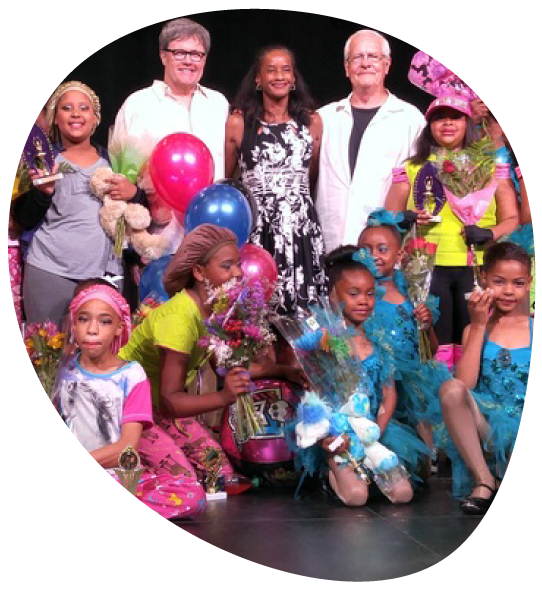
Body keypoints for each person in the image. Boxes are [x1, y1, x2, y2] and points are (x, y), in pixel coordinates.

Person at [118, 224, 304, 484]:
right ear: (198, 271)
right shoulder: (179, 320)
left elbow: (227, 368)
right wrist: (224, 396)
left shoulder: (214, 310)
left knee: (221, 477)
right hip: (130, 410)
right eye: (227, 266)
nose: (238, 272)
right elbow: (171, 401)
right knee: (182, 482)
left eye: (237, 264)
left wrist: (283, 371)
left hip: (159, 410)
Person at [385, 96, 519, 369]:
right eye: (439, 117)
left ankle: (470, 399)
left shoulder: (490, 166)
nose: (447, 123)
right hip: (429, 270)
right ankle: (440, 402)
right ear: (429, 125)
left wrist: (489, 233)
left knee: (474, 336)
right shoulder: (412, 168)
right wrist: (406, 218)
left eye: (455, 117)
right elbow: (389, 219)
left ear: (467, 123)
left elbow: (512, 218)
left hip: (477, 267)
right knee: (436, 341)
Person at [55, 281, 206, 519]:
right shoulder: (61, 373)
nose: (92, 329)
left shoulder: (131, 376)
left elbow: (127, 447)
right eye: (84, 319)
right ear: (73, 324)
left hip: (118, 474)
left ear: (118, 327)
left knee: (192, 493)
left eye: (104, 321)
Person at [13, 81, 144, 327]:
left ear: (95, 118)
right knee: (46, 356)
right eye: (67, 108)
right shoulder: (41, 160)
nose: (75, 113)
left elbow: (136, 215)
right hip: (49, 271)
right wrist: (43, 192)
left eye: (83, 108)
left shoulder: (115, 162)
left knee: (100, 354)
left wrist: (134, 193)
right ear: (54, 117)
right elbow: (23, 219)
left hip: (104, 276)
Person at [110, 17, 230, 255]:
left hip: (213, 240)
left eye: (196, 54)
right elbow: (119, 178)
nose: (188, 61)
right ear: (163, 55)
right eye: (179, 53)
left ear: (205, 59)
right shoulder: (138, 105)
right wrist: (127, 248)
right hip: (157, 241)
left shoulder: (219, 105)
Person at [225, 45, 327, 315]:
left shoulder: (312, 122)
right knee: (257, 313)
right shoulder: (238, 123)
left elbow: (313, 176)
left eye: (286, 70)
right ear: (257, 79)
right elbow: (226, 182)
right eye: (271, 70)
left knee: (302, 314)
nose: (279, 76)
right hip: (259, 229)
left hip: (300, 229)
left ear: (294, 79)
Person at [434, 238, 533, 514]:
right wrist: (478, 325)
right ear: (483, 277)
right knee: (450, 389)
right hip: (488, 427)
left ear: (529, 282)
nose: (509, 291)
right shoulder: (477, 329)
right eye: (499, 282)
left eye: (518, 283)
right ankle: (484, 479)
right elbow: (465, 385)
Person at [315, 29, 426, 253]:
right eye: (357, 57)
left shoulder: (410, 118)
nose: (365, 63)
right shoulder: (324, 117)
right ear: (347, 68)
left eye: (373, 57)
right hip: (330, 243)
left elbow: (420, 184)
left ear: (387, 65)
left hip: (386, 247)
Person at [357, 209, 451, 471]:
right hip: (376, 380)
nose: (374, 255)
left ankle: (426, 457)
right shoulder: (359, 298)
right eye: (366, 249)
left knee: (419, 408)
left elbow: (430, 350)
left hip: (410, 380)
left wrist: (427, 325)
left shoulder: (412, 294)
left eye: (382, 249)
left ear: (399, 255)